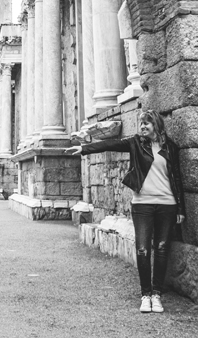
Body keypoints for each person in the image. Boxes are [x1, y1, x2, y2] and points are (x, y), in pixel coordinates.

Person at [66, 109, 186, 313]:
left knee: (163, 248)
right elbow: (109, 144)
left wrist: (181, 208)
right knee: (142, 248)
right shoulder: (136, 143)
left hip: (167, 204)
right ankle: (145, 295)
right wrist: (85, 149)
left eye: (147, 123)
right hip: (142, 204)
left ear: (156, 124)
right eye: (140, 124)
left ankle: (157, 294)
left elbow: (177, 178)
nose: (142, 127)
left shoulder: (170, 147)